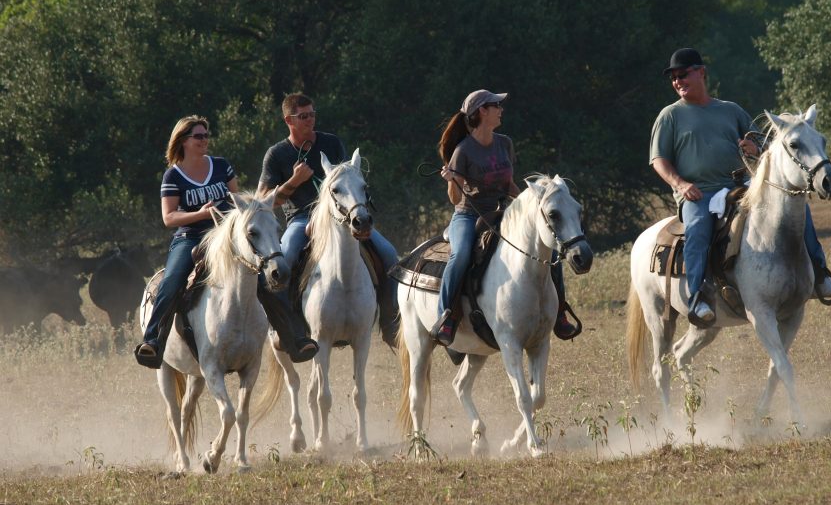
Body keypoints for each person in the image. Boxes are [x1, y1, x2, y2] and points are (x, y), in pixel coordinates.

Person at [649, 48, 831, 327]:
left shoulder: (730, 110)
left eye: (683, 74)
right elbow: (659, 161)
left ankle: (821, 275)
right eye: (673, 78)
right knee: (698, 228)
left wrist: (757, 147)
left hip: (739, 185)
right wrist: (681, 184)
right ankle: (698, 297)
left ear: (701, 73)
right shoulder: (669, 116)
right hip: (699, 193)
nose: (677, 81)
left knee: (797, 209)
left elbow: (772, 147)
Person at [433, 89, 580, 346]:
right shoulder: (463, 150)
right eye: (496, 106)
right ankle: (445, 315)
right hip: (468, 215)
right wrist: (452, 180)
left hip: (503, 212)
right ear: (482, 111)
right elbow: (456, 199)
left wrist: (530, 202)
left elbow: (508, 183)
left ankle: (559, 314)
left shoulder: (504, 143)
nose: (501, 110)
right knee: (462, 254)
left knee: (552, 252)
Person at [258, 93, 400, 347]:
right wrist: (293, 182)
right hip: (300, 220)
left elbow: (346, 178)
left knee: (389, 254)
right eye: (303, 116)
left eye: (312, 114)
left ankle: (391, 325)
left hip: (344, 217)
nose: (310, 120)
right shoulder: (277, 154)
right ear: (288, 120)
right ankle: (288, 329)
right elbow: (263, 200)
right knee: (284, 263)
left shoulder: (331, 143)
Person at [134, 116, 239, 368]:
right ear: (183, 141)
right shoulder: (173, 175)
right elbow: (169, 217)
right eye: (198, 136)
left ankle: (288, 334)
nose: (205, 140)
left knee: (262, 270)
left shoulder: (222, 166)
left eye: (206, 135)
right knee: (171, 282)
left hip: (224, 234)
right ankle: (153, 341)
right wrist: (201, 214)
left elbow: (237, 201)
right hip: (189, 237)